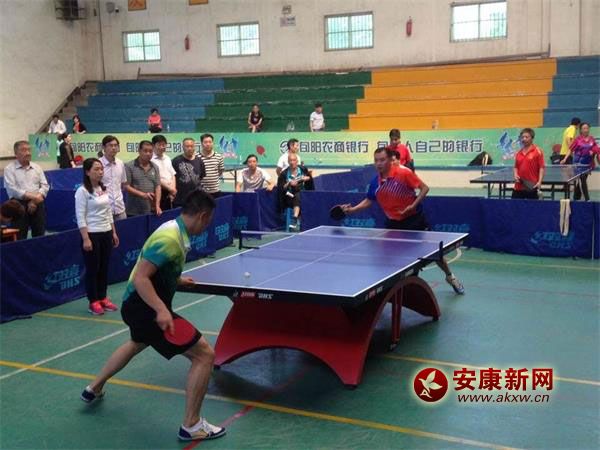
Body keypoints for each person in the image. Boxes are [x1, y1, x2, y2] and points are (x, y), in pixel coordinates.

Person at [80, 190, 226, 443]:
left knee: (137, 343)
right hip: (145, 308)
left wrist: (177, 280)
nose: (208, 225)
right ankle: (191, 424)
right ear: (203, 216)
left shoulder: (175, 230)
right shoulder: (169, 238)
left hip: (135, 306)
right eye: (209, 220)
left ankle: (93, 388)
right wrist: (160, 310)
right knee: (204, 355)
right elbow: (141, 277)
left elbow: (154, 269)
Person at [341, 148, 464, 294]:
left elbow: (424, 188)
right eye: (376, 160)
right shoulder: (376, 182)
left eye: (382, 160)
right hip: (393, 224)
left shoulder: (404, 173)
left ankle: (450, 276)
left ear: (390, 160)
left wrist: (413, 205)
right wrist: (353, 210)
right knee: (392, 257)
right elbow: (369, 200)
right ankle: (407, 287)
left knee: (434, 253)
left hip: (414, 220)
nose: (378, 163)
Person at [75, 158, 120, 315]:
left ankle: (103, 297)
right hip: (92, 234)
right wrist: (86, 238)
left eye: (101, 169)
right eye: (96, 169)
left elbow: (108, 212)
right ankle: (93, 301)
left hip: (106, 232)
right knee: (93, 269)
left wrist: (113, 232)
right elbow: (80, 216)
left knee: (104, 267)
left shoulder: (103, 188)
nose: (100, 172)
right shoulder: (82, 191)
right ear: (87, 172)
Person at [3, 141, 49, 240]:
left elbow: (45, 186)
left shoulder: (37, 167)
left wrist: (35, 201)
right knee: (19, 236)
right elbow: (12, 189)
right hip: (18, 205)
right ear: (16, 154)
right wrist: (34, 197)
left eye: (29, 150)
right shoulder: (9, 169)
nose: (28, 153)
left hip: (37, 204)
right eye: (24, 150)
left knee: (40, 234)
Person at [125, 141, 162, 217]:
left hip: (151, 210)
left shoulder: (155, 167)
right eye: (145, 151)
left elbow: (158, 186)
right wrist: (143, 195)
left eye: (150, 151)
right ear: (139, 151)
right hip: (133, 210)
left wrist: (157, 205)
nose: (148, 154)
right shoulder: (129, 166)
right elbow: (126, 186)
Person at [277, 153, 313, 230]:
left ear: (297, 161)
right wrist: (289, 184)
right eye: (290, 160)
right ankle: (295, 217)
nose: (292, 162)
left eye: (294, 160)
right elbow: (281, 188)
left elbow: (309, 179)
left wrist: (306, 178)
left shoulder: (303, 169)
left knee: (299, 195)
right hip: (289, 196)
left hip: (304, 195)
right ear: (288, 161)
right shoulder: (284, 174)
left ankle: (295, 219)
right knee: (297, 195)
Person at [565, 123, 600, 201]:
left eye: (587, 128)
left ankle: (576, 196)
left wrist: (593, 151)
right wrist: (565, 159)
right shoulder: (578, 139)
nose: (586, 130)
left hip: (587, 164)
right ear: (581, 130)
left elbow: (596, 149)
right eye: (584, 128)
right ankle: (587, 199)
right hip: (578, 164)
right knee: (583, 180)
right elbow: (571, 149)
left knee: (581, 180)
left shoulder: (592, 139)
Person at [100, 135, 128, 221]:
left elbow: (123, 184)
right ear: (103, 147)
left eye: (115, 145)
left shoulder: (120, 163)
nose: (113, 148)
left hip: (120, 208)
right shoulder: (98, 164)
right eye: (110, 145)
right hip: (103, 210)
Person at [512, 128, 545, 200]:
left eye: (527, 137)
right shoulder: (519, 153)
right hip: (518, 186)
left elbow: (541, 168)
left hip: (531, 186)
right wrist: (515, 174)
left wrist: (539, 182)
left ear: (532, 138)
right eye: (522, 137)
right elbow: (515, 167)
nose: (524, 139)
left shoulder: (538, 151)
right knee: (514, 206)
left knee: (532, 207)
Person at [172, 138, 206, 207]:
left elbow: (201, 177)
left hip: (196, 199)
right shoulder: (176, 161)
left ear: (194, 147)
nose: (189, 148)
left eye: (191, 146)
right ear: (183, 147)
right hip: (180, 200)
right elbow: (172, 178)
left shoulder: (199, 161)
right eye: (187, 146)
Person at [151, 135, 177, 211]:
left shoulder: (167, 158)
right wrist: (170, 189)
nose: (162, 147)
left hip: (170, 192)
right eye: (159, 145)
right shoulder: (150, 160)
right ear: (153, 145)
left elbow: (173, 174)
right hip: (158, 191)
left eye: (164, 145)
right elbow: (155, 178)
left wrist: (173, 189)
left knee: (169, 214)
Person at [199, 133, 224, 197]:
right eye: (205, 142)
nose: (208, 144)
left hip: (215, 191)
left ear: (213, 143)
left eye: (210, 142)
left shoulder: (219, 156)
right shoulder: (196, 156)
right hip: (201, 192)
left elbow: (220, 171)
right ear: (201, 143)